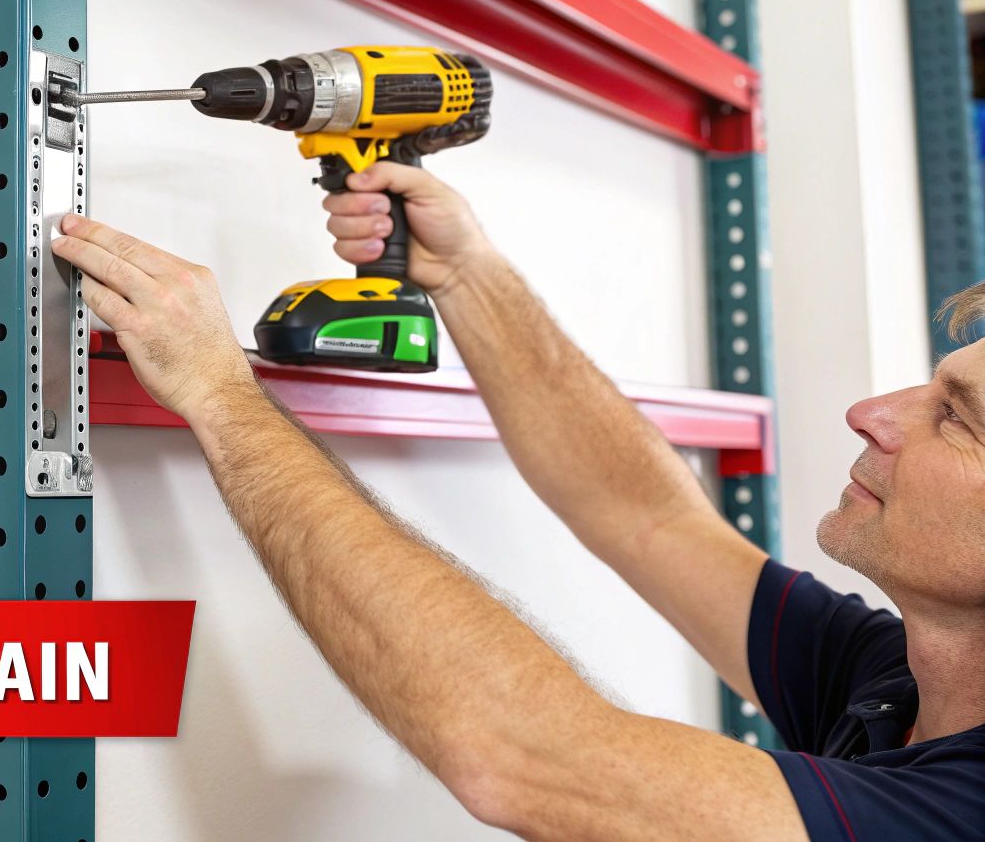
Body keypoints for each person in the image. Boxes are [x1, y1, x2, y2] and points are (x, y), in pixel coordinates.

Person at [49, 161, 985, 840]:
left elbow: (526, 758)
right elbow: (647, 517)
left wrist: (222, 396)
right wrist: (466, 276)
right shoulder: (897, 679)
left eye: (958, 419)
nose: (870, 415)